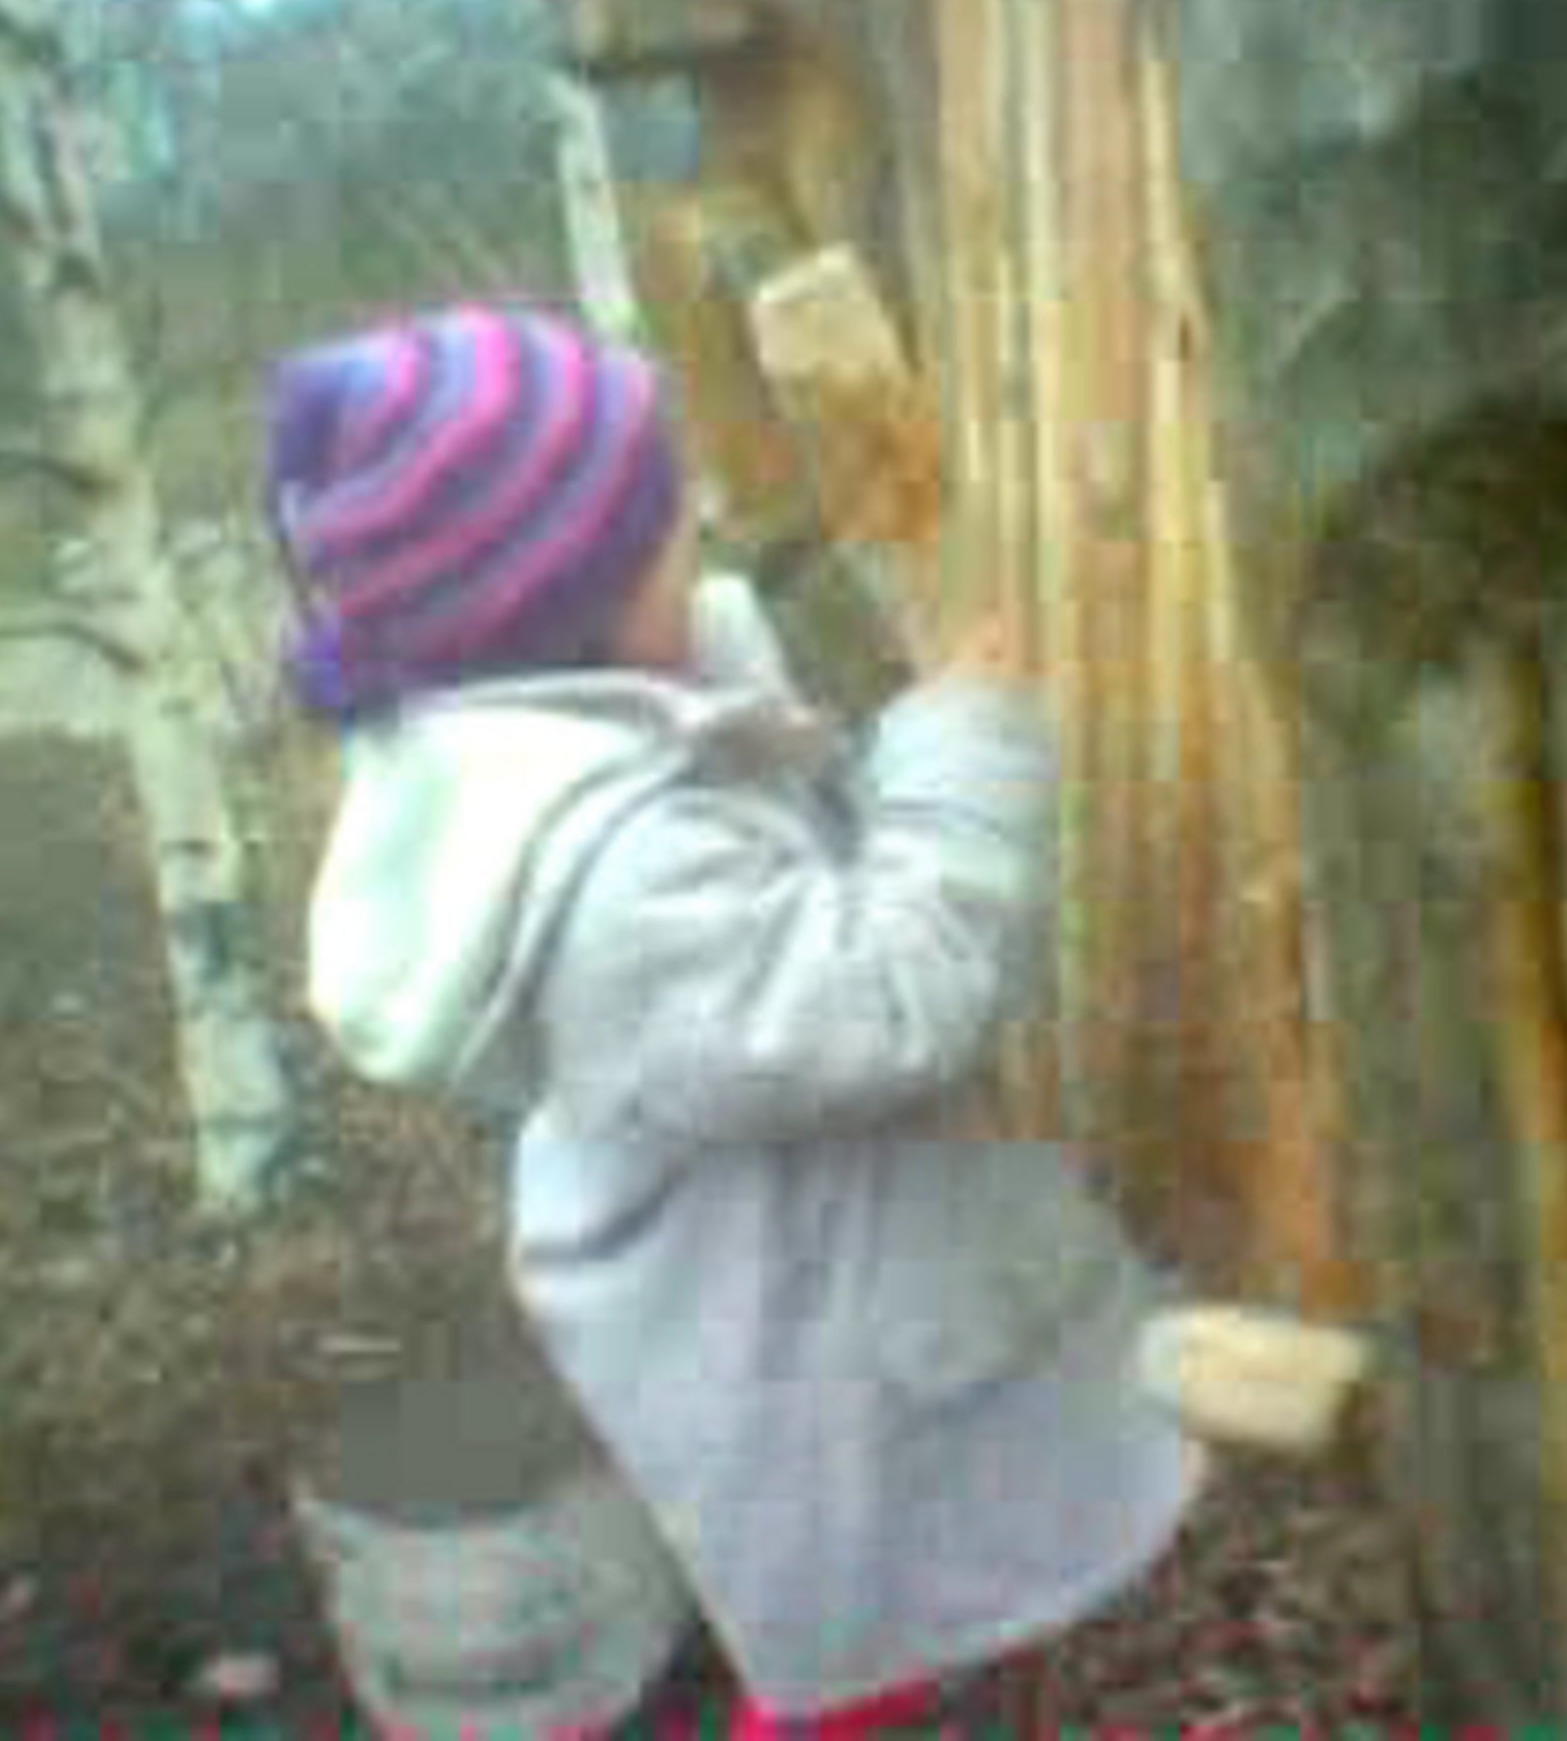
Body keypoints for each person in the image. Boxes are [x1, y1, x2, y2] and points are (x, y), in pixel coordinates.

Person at [267, 303, 1206, 1737]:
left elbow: (750, 816)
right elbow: (893, 996)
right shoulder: (616, 870)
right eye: (662, 525)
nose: (694, 530)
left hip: (797, 1290)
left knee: (916, 1622)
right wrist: (964, 739)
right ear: (560, 600)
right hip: (805, 1358)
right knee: (874, 1651)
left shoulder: (559, 756)